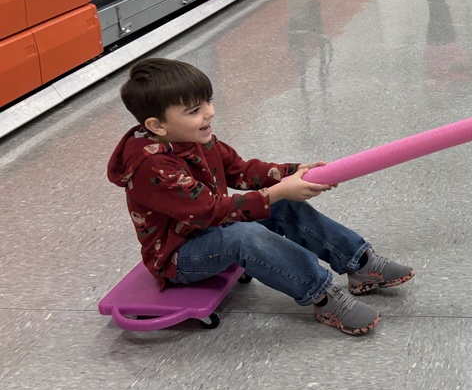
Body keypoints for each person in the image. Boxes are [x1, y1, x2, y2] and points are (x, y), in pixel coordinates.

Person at [107, 58, 414, 336]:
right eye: (194, 110)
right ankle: (322, 296)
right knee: (245, 235)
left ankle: (359, 262)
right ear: (156, 126)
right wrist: (276, 192)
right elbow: (209, 211)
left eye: (207, 102)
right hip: (179, 257)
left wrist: (291, 173)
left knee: (281, 204)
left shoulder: (191, 136)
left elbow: (240, 170)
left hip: (210, 228)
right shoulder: (152, 167)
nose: (209, 112)